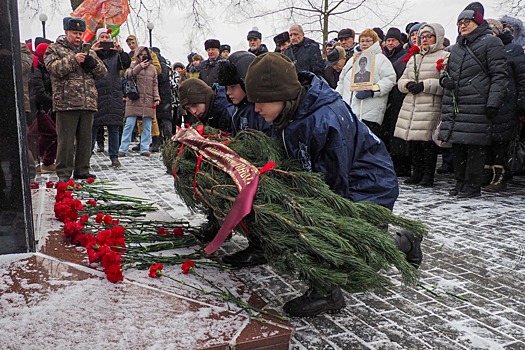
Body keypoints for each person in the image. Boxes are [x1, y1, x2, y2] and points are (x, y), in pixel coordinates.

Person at [243, 52, 422, 317]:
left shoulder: (324, 118)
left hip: (366, 183)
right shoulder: (289, 113)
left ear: (281, 94)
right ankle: (333, 285)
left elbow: (334, 184)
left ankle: (331, 290)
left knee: (347, 244)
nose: (256, 109)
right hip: (341, 178)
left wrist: (316, 218)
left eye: (260, 102)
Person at [438, 2, 508, 198]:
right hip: (458, 103)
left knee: (475, 148)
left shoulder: (491, 42)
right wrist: (444, 80)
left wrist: (493, 101)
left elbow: (499, 75)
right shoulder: (458, 47)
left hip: (478, 103)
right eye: (460, 23)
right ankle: (460, 183)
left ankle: (472, 186)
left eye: (467, 22)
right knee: (459, 145)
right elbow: (447, 71)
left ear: (478, 22)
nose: (463, 26)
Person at [44, 17, 107, 182]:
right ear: (66, 33)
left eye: (80, 33)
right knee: (66, 141)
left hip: (88, 102)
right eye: (74, 33)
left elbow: (103, 73)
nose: (78, 36)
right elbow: (54, 68)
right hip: (66, 102)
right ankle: (64, 173)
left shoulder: (89, 51)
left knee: (85, 140)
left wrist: (93, 64)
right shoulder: (54, 49)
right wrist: (73, 60)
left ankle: (82, 169)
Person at [394, 23, 449, 187]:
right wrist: (407, 85)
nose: (424, 40)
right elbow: (401, 79)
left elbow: (445, 82)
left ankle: (427, 176)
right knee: (414, 142)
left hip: (429, 104)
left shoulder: (444, 56)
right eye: (422, 37)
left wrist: (425, 85)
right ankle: (416, 173)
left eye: (428, 36)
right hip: (412, 103)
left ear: (437, 38)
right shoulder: (414, 58)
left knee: (427, 143)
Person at [483, 19, 525, 192]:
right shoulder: (482, 48)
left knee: (501, 142)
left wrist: (521, 103)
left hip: (507, 101)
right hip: (486, 100)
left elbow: (521, 78)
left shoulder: (513, 49)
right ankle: (486, 174)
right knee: (486, 141)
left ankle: (500, 176)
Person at [336, 29, 396, 137]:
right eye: (362, 41)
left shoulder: (381, 59)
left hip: (369, 113)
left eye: (368, 41)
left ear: (375, 42)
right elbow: (342, 80)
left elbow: (390, 79)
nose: (364, 44)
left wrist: (372, 90)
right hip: (349, 112)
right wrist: (337, 98)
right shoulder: (353, 60)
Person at [91, 28, 131, 168]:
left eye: (107, 37)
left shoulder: (116, 55)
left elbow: (126, 64)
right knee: (93, 127)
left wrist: (121, 51)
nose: (105, 39)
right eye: (102, 37)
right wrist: (92, 50)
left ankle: (114, 156)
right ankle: (87, 156)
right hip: (97, 93)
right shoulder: (94, 54)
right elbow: (87, 64)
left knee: (114, 127)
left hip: (114, 93)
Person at [217, 51, 272, 136]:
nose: (228, 92)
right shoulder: (238, 109)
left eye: (233, 87)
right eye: (226, 88)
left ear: (247, 84)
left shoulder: (260, 112)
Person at [118, 46, 160, 157]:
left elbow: (155, 84)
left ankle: (144, 148)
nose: (143, 56)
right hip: (134, 99)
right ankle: (123, 148)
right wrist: (139, 67)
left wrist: (156, 98)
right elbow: (127, 75)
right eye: (141, 54)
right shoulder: (133, 65)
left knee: (147, 126)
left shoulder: (152, 69)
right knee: (129, 124)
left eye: (145, 54)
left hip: (148, 100)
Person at [30, 42, 57, 174]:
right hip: (36, 107)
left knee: (52, 133)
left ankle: (46, 161)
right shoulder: (36, 69)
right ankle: (35, 160)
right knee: (51, 132)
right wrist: (53, 102)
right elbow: (39, 92)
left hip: (39, 107)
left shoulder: (42, 68)